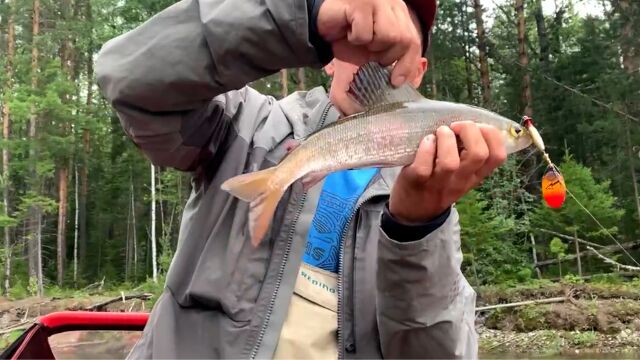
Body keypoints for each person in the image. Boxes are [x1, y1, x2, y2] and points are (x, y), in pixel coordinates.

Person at [95, 0, 507, 358]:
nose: (374, 64)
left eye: (393, 54)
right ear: (330, 53)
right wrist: (302, 14)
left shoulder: (435, 195)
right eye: (361, 39)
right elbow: (127, 77)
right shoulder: (248, 128)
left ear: (417, 74)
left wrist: (417, 228)